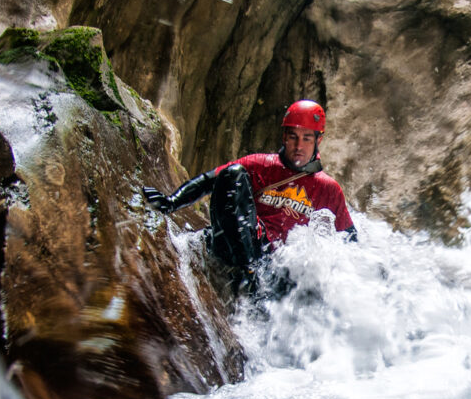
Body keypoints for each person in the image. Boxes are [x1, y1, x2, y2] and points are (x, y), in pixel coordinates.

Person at [142, 99, 356, 283]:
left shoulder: (328, 189)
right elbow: (210, 181)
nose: (298, 145)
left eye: (306, 138)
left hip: (279, 266)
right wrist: (171, 202)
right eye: (293, 137)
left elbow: (350, 242)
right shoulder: (260, 165)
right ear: (284, 137)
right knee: (233, 173)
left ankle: (256, 278)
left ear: (318, 140)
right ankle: (248, 272)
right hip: (242, 246)